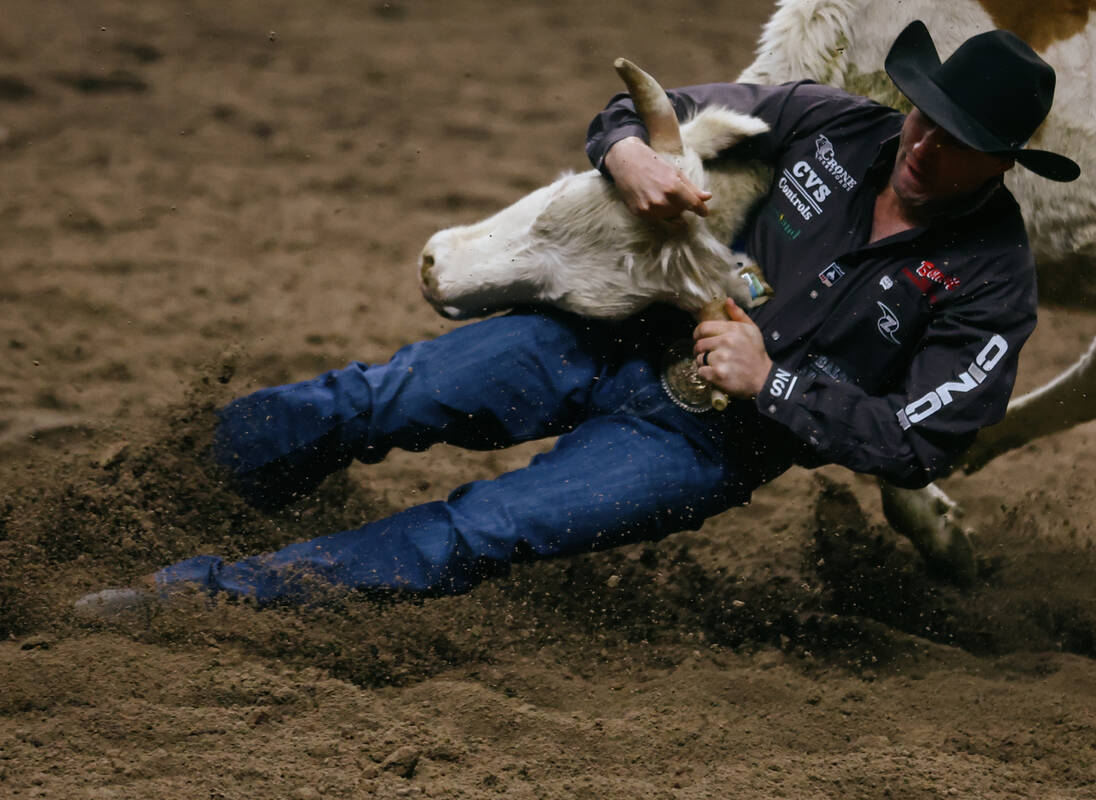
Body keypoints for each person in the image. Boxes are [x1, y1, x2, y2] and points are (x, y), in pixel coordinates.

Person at [75, 21, 1079, 619]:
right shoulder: (832, 120)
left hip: (704, 438)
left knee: (486, 528)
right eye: (922, 115)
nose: (922, 144)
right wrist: (633, 158)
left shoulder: (986, 285)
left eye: (956, 143)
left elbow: (920, 440)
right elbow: (649, 112)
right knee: (385, 392)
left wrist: (770, 382)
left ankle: (204, 595)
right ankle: (166, 485)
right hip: (602, 331)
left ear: (1002, 163)